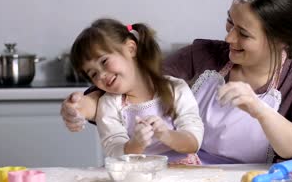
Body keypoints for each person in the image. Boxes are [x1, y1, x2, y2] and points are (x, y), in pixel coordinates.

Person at [61, 0, 292, 164]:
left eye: (244, 34)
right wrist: (84, 105)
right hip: (191, 180)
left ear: (279, 40)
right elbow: (137, 83)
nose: (229, 39)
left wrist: (257, 109)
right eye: (229, 23)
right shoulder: (202, 57)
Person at [68, 18, 204, 165]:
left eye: (104, 61)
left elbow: (194, 142)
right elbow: (114, 152)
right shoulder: (109, 104)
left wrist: (166, 135)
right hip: (135, 178)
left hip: (182, 177)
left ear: (130, 49)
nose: (101, 75)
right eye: (93, 74)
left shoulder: (176, 89)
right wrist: (136, 144)